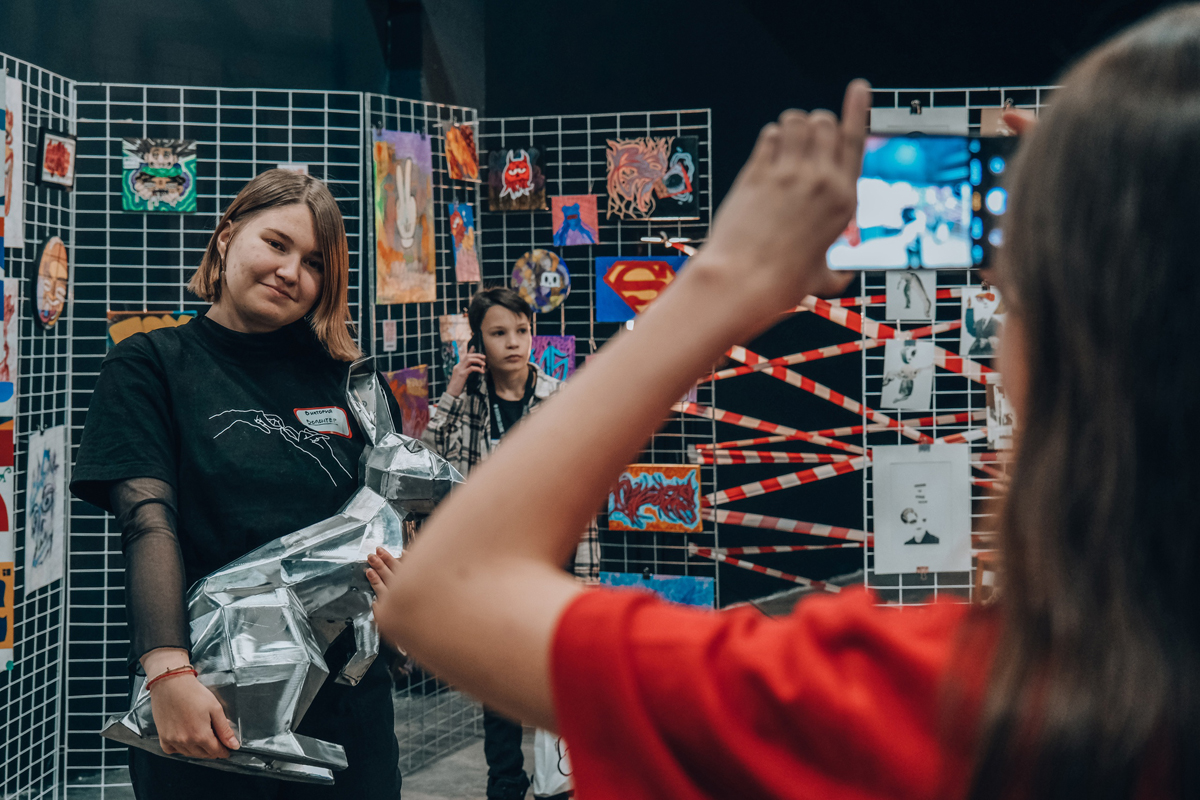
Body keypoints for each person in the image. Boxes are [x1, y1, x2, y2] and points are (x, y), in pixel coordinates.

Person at [367, 5, 1200, 797]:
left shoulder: (909, 701)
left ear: (1044, 353)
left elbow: (443, 594)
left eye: (1013, 302)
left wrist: (723, 280)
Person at [70, 169, 404, 799]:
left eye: (315, 263)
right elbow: (147, 522)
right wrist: (167, 674)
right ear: (226, 238)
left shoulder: (353, 382)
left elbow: (392, 522)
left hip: (349, 716)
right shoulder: (150, 364)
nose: (290, 271)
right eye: (276, 243)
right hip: (208, 705)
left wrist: (409, 588)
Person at [421, 286, 597, 800]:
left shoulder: (559, 397)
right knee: (497, 672)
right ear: (478, 342)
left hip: (553, 551)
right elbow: (426, 462)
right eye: (499, 333)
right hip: (492, 557)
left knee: (555, 665)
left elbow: (582, 486)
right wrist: (452, 391)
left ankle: (561, 778)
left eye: (522, 330)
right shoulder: (469, 402)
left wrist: (586, 572)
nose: (514, 343)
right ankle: (505, 781)